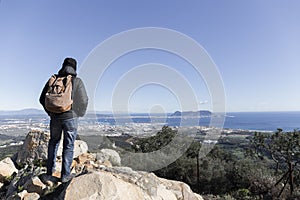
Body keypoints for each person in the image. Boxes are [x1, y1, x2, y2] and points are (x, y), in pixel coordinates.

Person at [39, 57, 88, 183]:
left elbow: (41, 98)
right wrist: (78, 113)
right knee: (69, 145)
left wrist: (51, 113)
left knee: (53, 142)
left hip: (55, 118)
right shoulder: (76, 81)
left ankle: (49, 172)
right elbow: (83, 100)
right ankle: (65, 176)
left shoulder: (54, 80)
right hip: (70, 117)